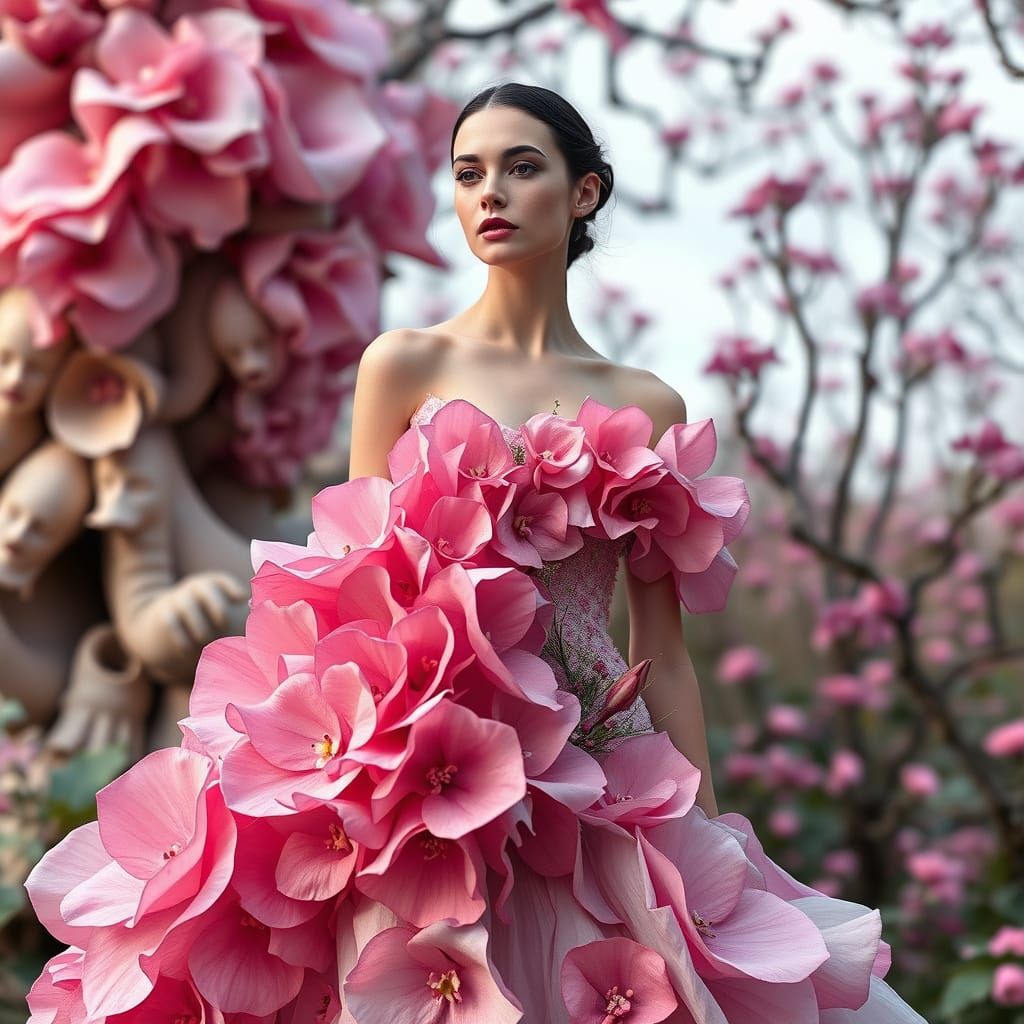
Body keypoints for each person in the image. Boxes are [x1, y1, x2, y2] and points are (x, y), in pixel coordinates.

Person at [25, 83, 927, 1024]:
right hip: (414, 757)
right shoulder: (403, 364)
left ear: (585, 194)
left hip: (592, 761)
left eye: (521, 167)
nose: (488, 192)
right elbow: (351, 576)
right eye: (468, 173)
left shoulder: (649, 404)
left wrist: (707, 834)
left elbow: (665, 649)